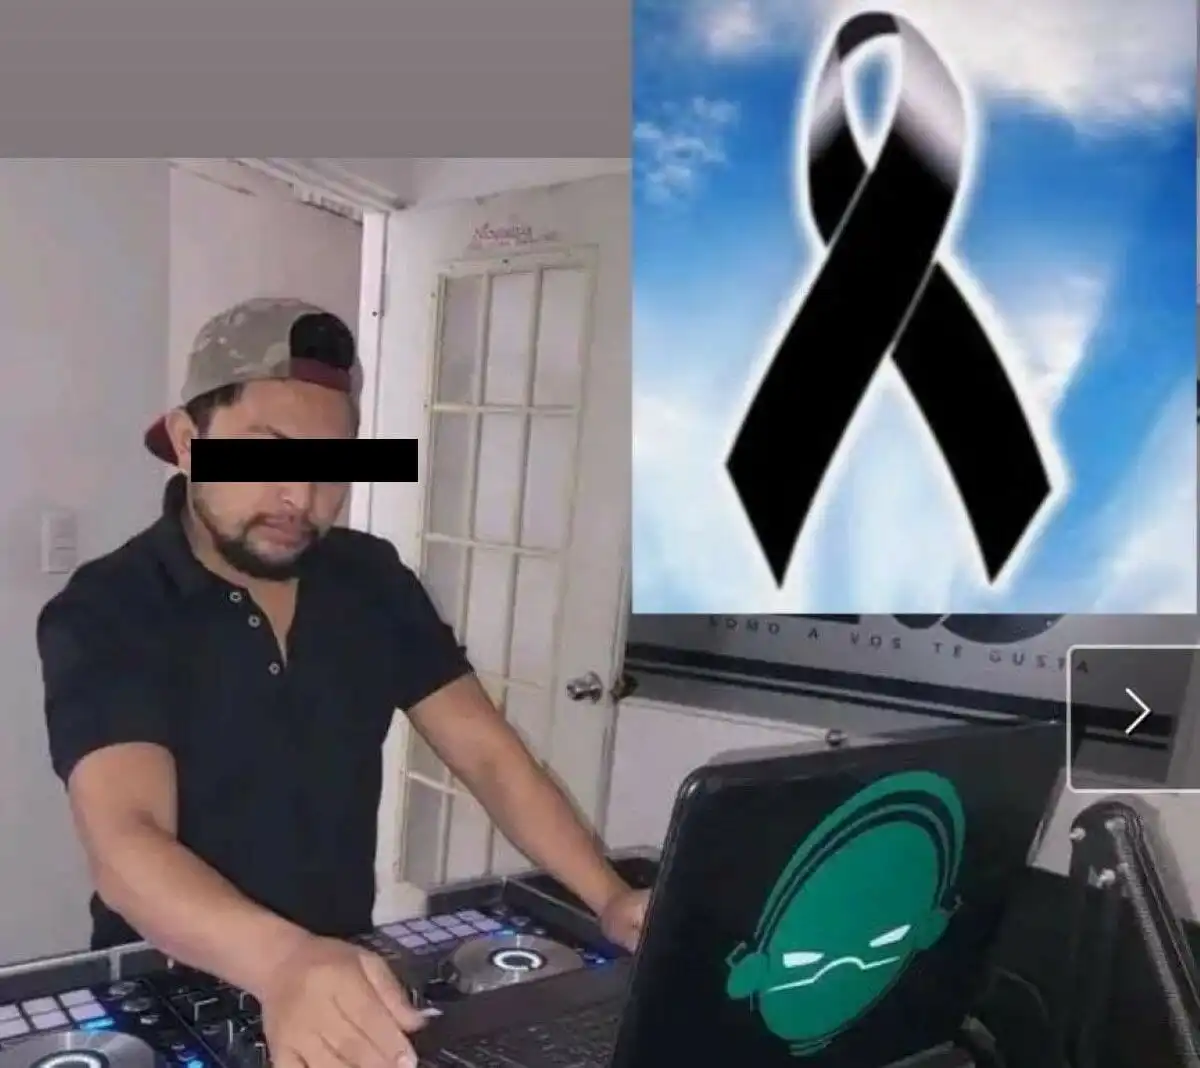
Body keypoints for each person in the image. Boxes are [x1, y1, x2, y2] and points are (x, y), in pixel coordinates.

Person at [37, 298, 649, 1068]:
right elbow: (127, 839)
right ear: (190, 441)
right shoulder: (109, 606)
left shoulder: (371, 578)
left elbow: (488, 755)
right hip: (164, 990)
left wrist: (609, 896)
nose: (301, 497)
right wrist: (282, 963)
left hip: (344, 968)